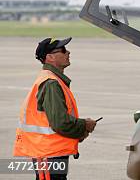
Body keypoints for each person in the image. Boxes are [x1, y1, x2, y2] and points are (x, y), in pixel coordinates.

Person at [14, 37, 98, 180]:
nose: (68, 52)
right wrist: (85, 125)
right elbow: (60, 123)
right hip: (47, 153)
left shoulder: (53, 80)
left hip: (52, 152)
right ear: (50, 57)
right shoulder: (51, 83)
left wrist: (79, 132)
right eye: (63, 50)